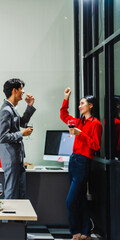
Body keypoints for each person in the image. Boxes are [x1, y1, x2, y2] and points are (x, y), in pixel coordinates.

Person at [60, 88, 102, 240]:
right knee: (81, 199)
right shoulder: (78, 121)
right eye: (79, 104)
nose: (79, 106)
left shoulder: (95, 124)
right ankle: (85, 233)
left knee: (70, 201)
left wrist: (81, 134)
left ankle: (75, 231)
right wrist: (66, 98)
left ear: (91, 105)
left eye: (82, 103)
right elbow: (64, 115)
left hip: (83, 162)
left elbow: (96, 146)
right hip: (74, 161)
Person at [0, 78, 36, 199]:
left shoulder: (11, 108)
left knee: (20, 192)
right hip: (11, 158)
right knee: (11, 192)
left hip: (16, 157)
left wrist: (29, 106)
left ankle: (18, 218)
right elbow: (2, 137)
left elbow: (22, 122)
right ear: (14, 90)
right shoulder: (6, 110)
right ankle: (8, 218)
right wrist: (21, 134)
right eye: (21, 89)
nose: (23, 92)